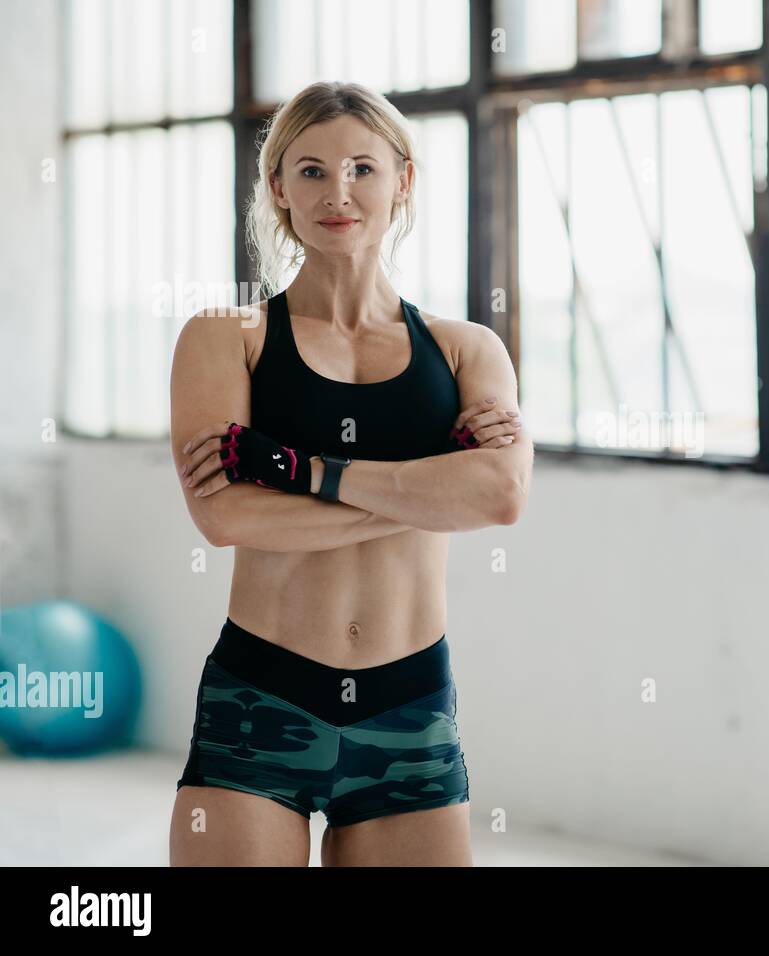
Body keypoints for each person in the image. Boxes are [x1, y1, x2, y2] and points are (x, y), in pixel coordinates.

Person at [167, 80, 533, 866]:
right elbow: (227, 518)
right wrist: (432, 491)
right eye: (311, 171)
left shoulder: (467, 350)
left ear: (402, 181)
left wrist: (299, 472)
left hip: (410, 710)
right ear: (277, 187)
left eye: (363, 168)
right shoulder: (227, 337)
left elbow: (499, 495)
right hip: (260, 701)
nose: (339, 192)